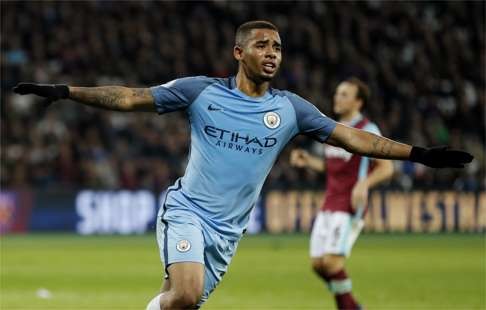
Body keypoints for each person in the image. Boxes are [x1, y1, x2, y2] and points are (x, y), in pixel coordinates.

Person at [13, 20, 473, 310]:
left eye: (277, 46)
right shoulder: (200, 91)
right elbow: (131, 96)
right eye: (261, 44)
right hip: (188, 210)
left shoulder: (292, 109)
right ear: (239, 53)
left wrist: (420, 155)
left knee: (179, 303)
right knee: (187, 294)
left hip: (228, 233)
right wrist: (66, 91)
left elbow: (354, 137)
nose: (272, 52)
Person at [290, 77, 393, 310]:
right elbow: (332, 167)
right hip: (329, 203)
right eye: (337, 93)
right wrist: (309, 161)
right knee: (318, 264)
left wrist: (364, 183)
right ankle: (354, 307)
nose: (338, 97)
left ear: (358, 102)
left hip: (348, 205)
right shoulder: (332, 128)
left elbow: (387, 167)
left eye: (345, 94)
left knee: (332, 263)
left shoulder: (368, 129)